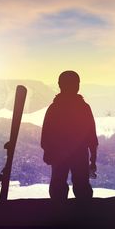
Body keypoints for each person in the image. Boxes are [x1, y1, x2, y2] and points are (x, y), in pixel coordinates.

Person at [41, 70, 99, 200]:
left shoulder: (54, 108)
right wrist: (93, 158)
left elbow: (46, 134)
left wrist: (48, 151)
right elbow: (92, 136)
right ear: (77, 85)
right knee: (81, 186)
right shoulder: (84, 107)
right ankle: (84, 214)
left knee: (58, 186)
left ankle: (59, 214)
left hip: (58, 154)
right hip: (80, 154)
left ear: (60, 85)